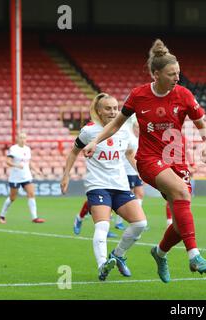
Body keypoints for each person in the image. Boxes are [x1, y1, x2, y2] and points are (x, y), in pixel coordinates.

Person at [82, 39, 206, 284]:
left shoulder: (184, 94)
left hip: (177, 160)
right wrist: (95, 141)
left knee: (179, 221)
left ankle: (160, 253)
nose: (177, 77)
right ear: (156, 74)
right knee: (182, 196)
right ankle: (194, 255)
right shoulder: (139, 95)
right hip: (149, 159)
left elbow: (203, 127)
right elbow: (115, 124)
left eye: (178, 72)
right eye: (171, 73)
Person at [61, 93, 148, 281]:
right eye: (108, 108)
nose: (113, 111)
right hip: (97, 185)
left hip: (121, 186)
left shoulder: (124, 131)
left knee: (140, 224)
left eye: (115, 108)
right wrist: (66, 175)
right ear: (99, 111)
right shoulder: (89, 131)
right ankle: (102, 265)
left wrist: (143, 173)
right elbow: (74, 152)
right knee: (102, 226)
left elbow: (130, 154)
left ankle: (117, 255)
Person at [0, 132, 46, 224]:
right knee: (12, 198)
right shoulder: (13, 149)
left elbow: (29, 162)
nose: (23, 139)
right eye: (21, 137)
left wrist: (36, 170)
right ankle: (2, 215)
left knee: (31, 194)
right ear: (17, 139)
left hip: (26, 176)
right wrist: (16, 165)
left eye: (24, 138)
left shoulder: (27, 149)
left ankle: (35, 217)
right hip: (15, 177)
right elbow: (7, 162)